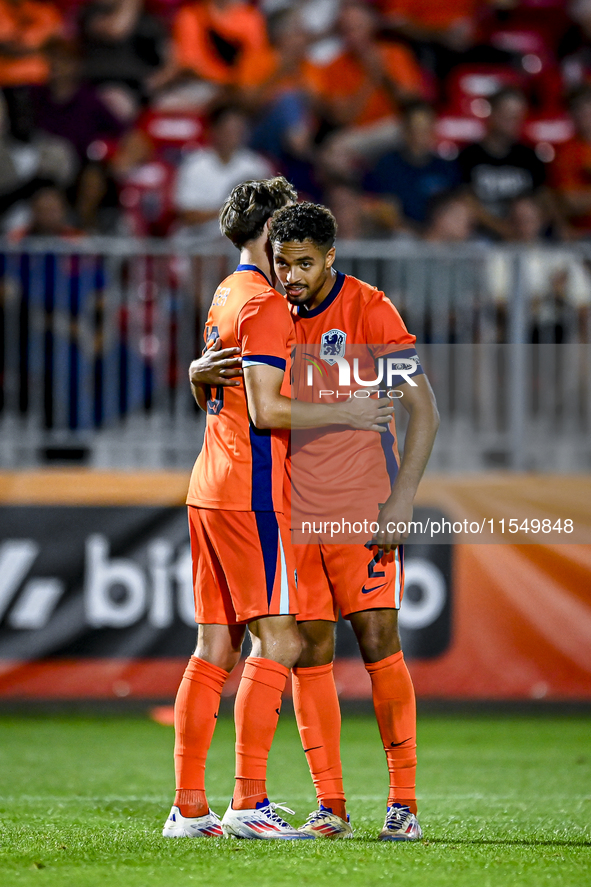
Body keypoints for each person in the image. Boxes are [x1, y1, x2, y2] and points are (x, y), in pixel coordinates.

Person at [162, 177, 395, 841]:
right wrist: (348, 408)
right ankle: (247, 801)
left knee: (214, 645)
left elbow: (224, 390)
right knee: (284, 639)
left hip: (208, 481)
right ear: (269, 233)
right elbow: (265, 410)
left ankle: (187, 806)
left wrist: (191, 374)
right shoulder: (263, 302)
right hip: (251, 490)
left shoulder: (224, 292)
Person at [269, 202, 439, 841]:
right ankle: (331, 806)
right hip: (295, 514)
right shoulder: (270, 313)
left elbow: (424, 411)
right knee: (310, 652)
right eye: (283, 263)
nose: (292, 276)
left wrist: (403, 497)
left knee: (378, 644)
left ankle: (403, 804)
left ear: (330, 257)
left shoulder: (371, 311)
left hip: (363, 509)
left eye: (305, 264)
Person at [458, 87, 546, 240]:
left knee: (525, 208)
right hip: (481, 236)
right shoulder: (469, 155)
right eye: (507, 115)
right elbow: (467, 200)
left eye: (517, 116)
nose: (513, 121)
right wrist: (502, 228)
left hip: (523, 236)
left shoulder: (529, 156)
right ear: (492, 114)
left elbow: (544, 199)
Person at [363, 100, 461, 231]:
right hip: (397, 236)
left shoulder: (446, 168)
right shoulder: (386, 165)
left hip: (440, 238)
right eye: (415, 129)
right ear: (405, 131)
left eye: (426, 129)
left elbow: (455, 208)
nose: (420, 136)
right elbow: (374, 206)